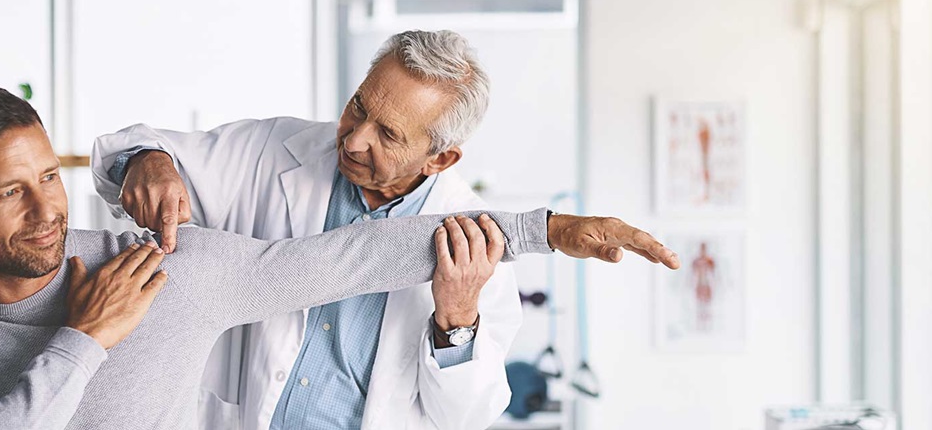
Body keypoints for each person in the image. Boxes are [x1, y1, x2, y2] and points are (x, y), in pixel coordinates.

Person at [0, 84, 679, 430]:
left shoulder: (157, 269)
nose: (47, 211)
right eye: (10, 193)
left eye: (51, 177)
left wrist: (548, 230)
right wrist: (84, 340)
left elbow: (350, 257)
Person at [94, 30, 626, 429]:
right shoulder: (272, 150)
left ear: (440, 158)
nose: (352, 140)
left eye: (387, 134)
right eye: (358, 107)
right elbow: (130, 147)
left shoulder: (473, 242)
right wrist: (149, 161)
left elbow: (465, 415)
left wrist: (458, 318)